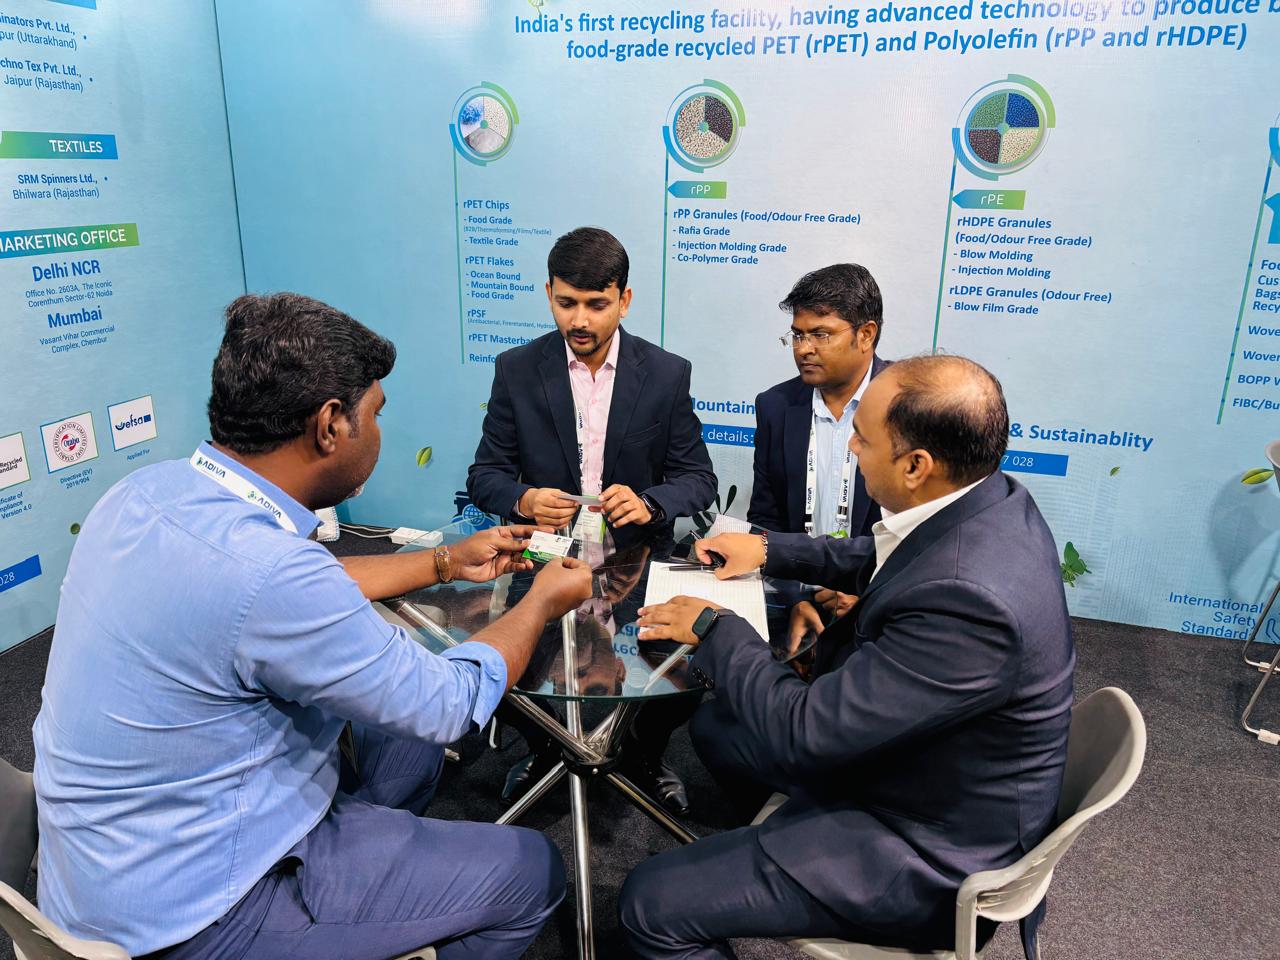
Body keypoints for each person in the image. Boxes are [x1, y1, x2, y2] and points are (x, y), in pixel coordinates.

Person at [33, 293, 594, 960]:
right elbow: (449, 704)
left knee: (401, 750)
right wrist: (542, 601)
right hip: (201, 913)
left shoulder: (142, 493)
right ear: (330, 425)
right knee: (531, 869)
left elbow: (276, 592)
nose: (379, 431)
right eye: (375, 413)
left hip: (96, 875)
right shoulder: (272, 576)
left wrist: (443, 561)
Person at [621, 355, 1076, 959]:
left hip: (926, 852)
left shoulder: (969, 601)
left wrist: (713, 626)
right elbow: (887, 557)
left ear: (916, 466)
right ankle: (769, 854)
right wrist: (767, 549)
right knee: (720, 726)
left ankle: (789, 863)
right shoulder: (994, 500)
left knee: (649, 902)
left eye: (863, 437)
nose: (852, 447)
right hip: (926, 769)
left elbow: (804, 734)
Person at [467, 226, 717, 815]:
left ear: (624, 300)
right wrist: (525, 499)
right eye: (566, 302)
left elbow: (698, 478)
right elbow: (485, 475)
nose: (579, 320)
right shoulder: (517, 369)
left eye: (596, 304)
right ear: (548, 293)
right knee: (495, 660)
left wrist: (651, 502)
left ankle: (643, 753)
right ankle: (547, 748)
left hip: (637, 559)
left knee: (690, 670)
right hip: (545, 557)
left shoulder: (665, 373)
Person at [749, 263, 890, 646]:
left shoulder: (907, 405)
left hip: (881, 613)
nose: (803, 349)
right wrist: (794, 598)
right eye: (797, 335)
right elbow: (765, 520)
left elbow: (919, 530)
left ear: (866, 334)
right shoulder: (776, 406)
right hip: (797, 609)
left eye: (820, 335)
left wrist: (865, 593)